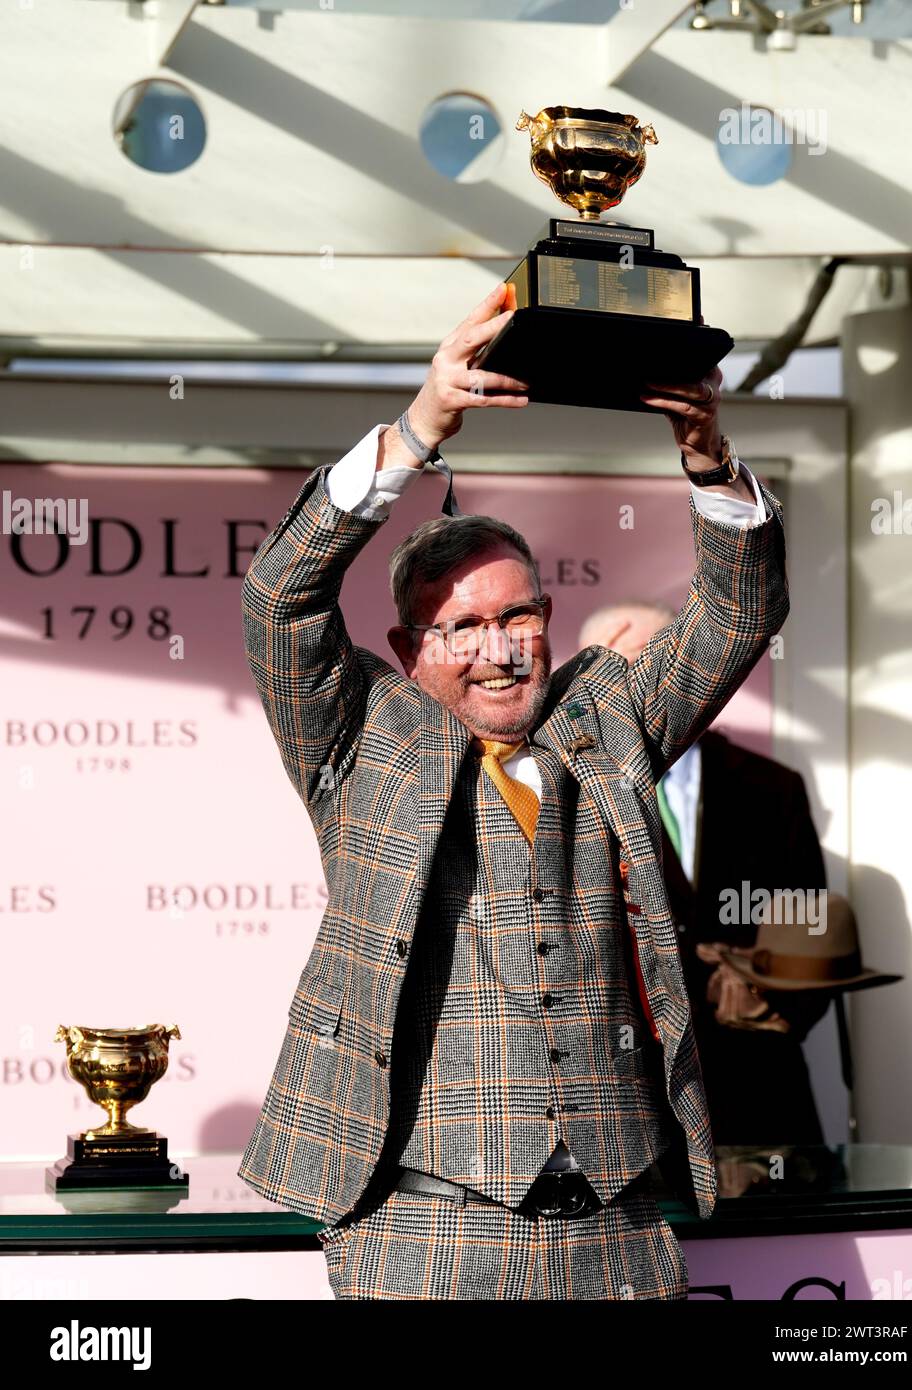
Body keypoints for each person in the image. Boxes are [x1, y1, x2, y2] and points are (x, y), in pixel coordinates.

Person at [236, 282, 789, 1300]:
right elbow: (281, 597)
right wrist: (419, 430)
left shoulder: (604, 717)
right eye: (465, 627)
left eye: (521, 616)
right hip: (426, 1237)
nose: (500, 650)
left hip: (618, 1235)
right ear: (408, 649)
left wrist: (708, 457)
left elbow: (735, 619)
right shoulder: (357, 736)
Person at [580, 601, 829, 1145]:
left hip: (760, 1098)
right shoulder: (562, 796)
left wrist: (772, 1005)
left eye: (659, 666)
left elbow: (809, 926)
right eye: (621, 673)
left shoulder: (771, 788)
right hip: (628, 1112)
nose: (643, 691)